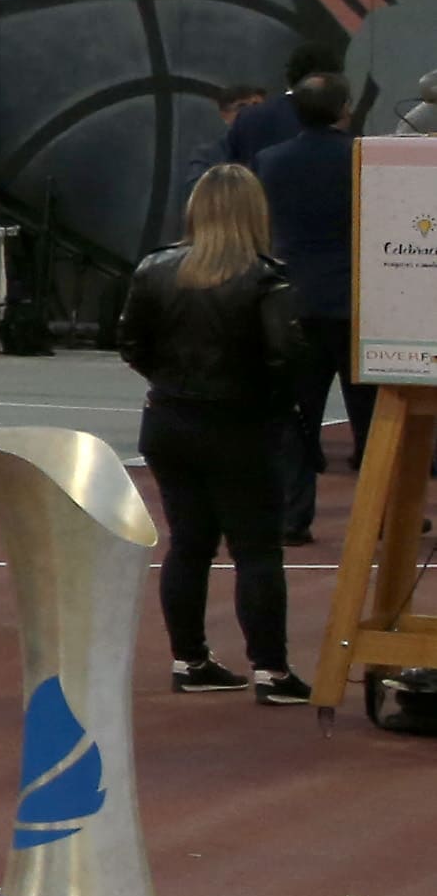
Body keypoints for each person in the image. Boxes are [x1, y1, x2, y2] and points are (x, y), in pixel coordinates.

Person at [123, 165, 313, 701]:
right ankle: (272, 672)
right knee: (255, 549)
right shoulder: (266, 277)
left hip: (168, 420)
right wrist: (270, 407)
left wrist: (170, 383)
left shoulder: (155, 268)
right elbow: (286, 356)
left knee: (188, 542)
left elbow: (131, 344)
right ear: (255, 212)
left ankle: (189, 659)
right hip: (239, 424)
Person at [255, 74, 360, 546]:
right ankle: (384, 512)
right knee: (373, 416)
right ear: (345, 109)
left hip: (295, 300)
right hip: (354, 300)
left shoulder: (270, 161)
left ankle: (293, 518)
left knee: (297, 417)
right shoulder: (360, 159)